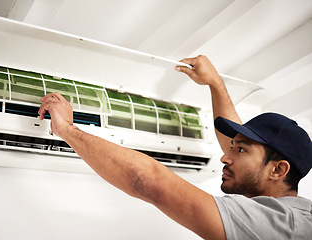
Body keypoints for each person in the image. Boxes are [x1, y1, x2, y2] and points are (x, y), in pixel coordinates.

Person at [38, 55, 312, 239]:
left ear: (278, 169)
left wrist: (67, 130)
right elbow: (249, 152)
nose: (225, 156)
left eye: (240, 150)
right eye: (234, 146)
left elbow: (150, 182)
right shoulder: (293, 214)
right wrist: (215, 84)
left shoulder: (283, 224)